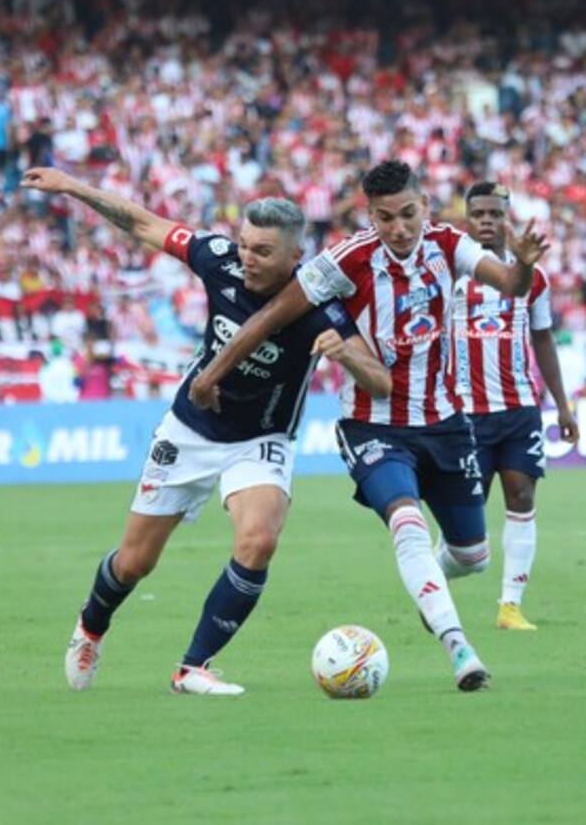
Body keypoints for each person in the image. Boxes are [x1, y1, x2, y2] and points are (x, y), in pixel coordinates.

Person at [20, 166, 390, 695]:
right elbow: (143, 224)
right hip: (189, 430)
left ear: (295, 258)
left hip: (261, 440)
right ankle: (90, 626)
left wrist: (344, 356)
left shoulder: (320, 308)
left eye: (263, 251)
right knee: (134, 563)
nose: (248, 259)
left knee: (258, 541)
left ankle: (193, 665)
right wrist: (74, 187)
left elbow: (381, 383)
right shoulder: (217, 261)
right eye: (245, 245)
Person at [187, 160, 549, 691]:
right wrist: (210, 375)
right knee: (407, 522)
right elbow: (270, 317)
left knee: (473, 556)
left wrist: (519, 265)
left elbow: (513, 285)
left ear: (425, 206)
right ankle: (459, 648)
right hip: (373, 426)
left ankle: (425, 578)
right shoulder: (346, 260)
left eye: (408, 214)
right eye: (385, 218)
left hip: (447, 423)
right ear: (369, 216)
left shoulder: (449, 245)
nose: (399, 228)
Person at [450, 182, 579, 630]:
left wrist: (563, 404)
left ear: (506, 218)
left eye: (494, 213)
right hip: (465, 413)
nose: (487, 220)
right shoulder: (450, 272)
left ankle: (510, 606)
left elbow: (542, 338)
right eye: (478, 213)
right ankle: (432, 582)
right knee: (467, 522)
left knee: (522, 496)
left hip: (521, 406)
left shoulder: (534, 278)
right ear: (467, 219)